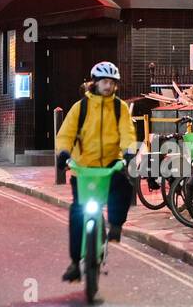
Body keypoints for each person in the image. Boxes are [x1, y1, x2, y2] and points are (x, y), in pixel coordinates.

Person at [54, 61, 136, 282]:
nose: (108, 86)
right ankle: (74, 263)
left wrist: (129, 152)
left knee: (124, 187)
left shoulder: (120, 109)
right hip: (83, 169)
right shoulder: (80, 108)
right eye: (104, 82)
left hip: (110, 166)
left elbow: (128, 133)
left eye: (111, 82)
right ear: (95, 83)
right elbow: (65, 135)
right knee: (77, 214)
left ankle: (116, 225)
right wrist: (63, 153)